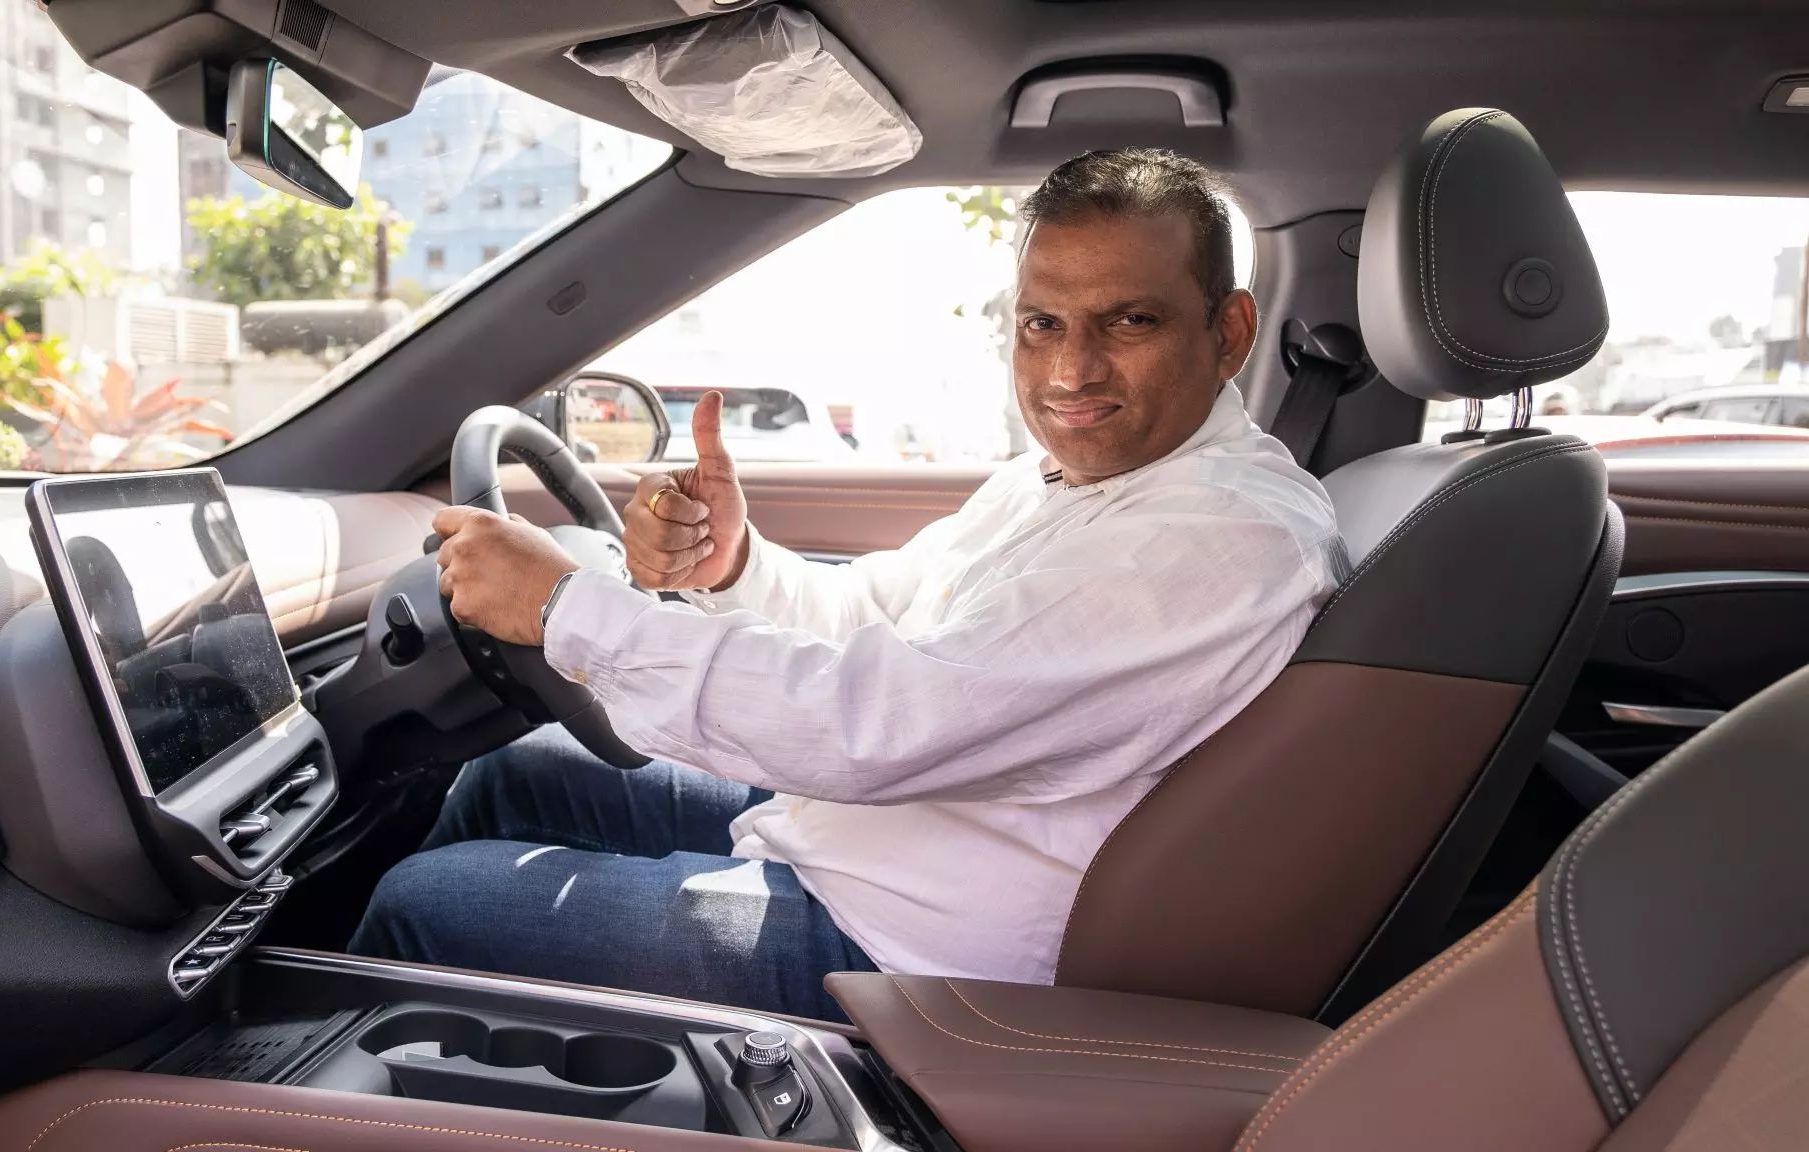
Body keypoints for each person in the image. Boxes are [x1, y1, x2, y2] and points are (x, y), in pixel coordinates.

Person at [349, 150, 1346, 1023]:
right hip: (888, 839)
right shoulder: (1071, 481)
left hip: (918, 952)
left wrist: (563, 608)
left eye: (1127, 320)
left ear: (1228, 330)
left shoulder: (1212, 535)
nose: (1069, 370)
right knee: (512, 774)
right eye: (1042, 323)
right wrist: (731, 566)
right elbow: (878, 618)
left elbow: (874, 722)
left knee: (424, 902)